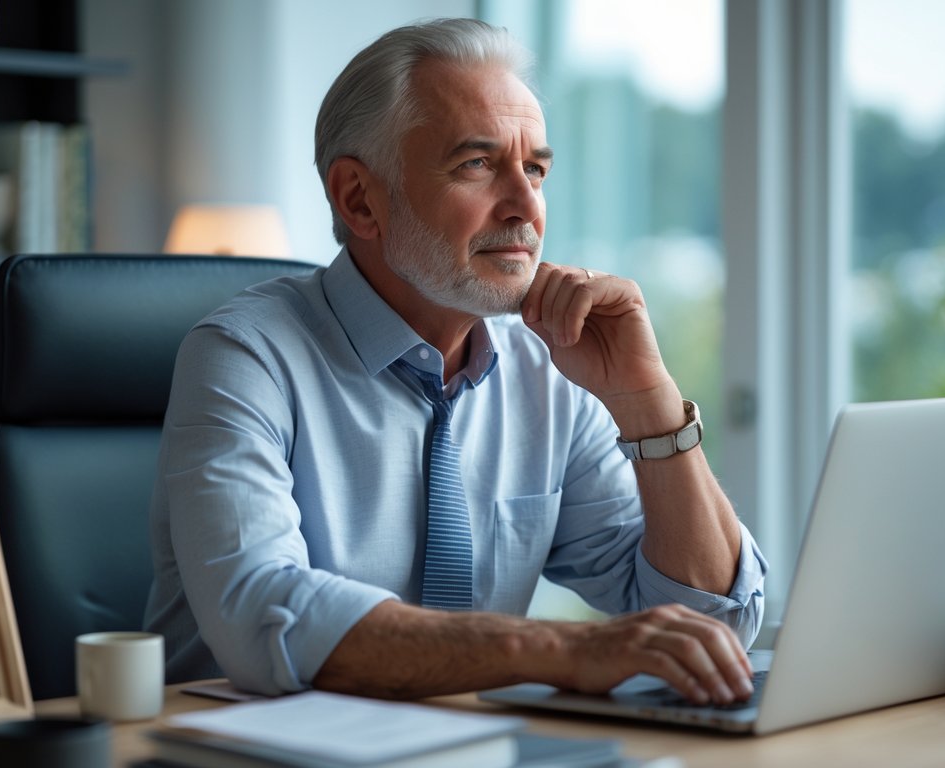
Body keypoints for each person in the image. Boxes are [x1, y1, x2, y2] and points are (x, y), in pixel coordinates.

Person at [144, 17, 766, 707]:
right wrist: (564, 650)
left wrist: (648, 405)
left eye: (535, 169)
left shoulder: (549, 371)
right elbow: (264, 618)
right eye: (476, 164)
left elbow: (715, 625)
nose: (527, 206)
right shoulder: (243, 356)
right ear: (359, 199)